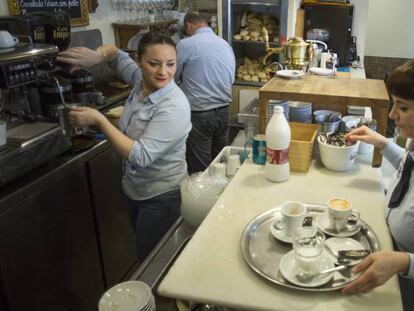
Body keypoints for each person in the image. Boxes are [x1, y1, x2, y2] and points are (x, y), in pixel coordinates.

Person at [56, 32, 191, 262]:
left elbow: (140, 155)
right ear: (139, 60)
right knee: (147, 252)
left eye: (170, 64)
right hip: (136, 189)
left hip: (162, 197)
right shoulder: (141, 81)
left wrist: (100, 120)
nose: (163, 72)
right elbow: (116, 55)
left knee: (154, 262)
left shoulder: (174, 105)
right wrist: (96, 56)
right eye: (154, 63)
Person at [343, 61, 414, 310]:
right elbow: (409, 168)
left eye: (402, 107)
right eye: (393, 104)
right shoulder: (412, 144)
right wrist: (382, 142)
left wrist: (405, 263)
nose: (393, 115)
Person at [176, 12, 236, 174]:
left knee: (200, 170)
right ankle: (221, 198)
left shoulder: (185, 44)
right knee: (220, 164)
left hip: (199, 114)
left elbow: (172, 77)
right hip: (223, 111)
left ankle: (203, 199)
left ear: (188, 26)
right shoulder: (224, 44)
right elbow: (230, 78)